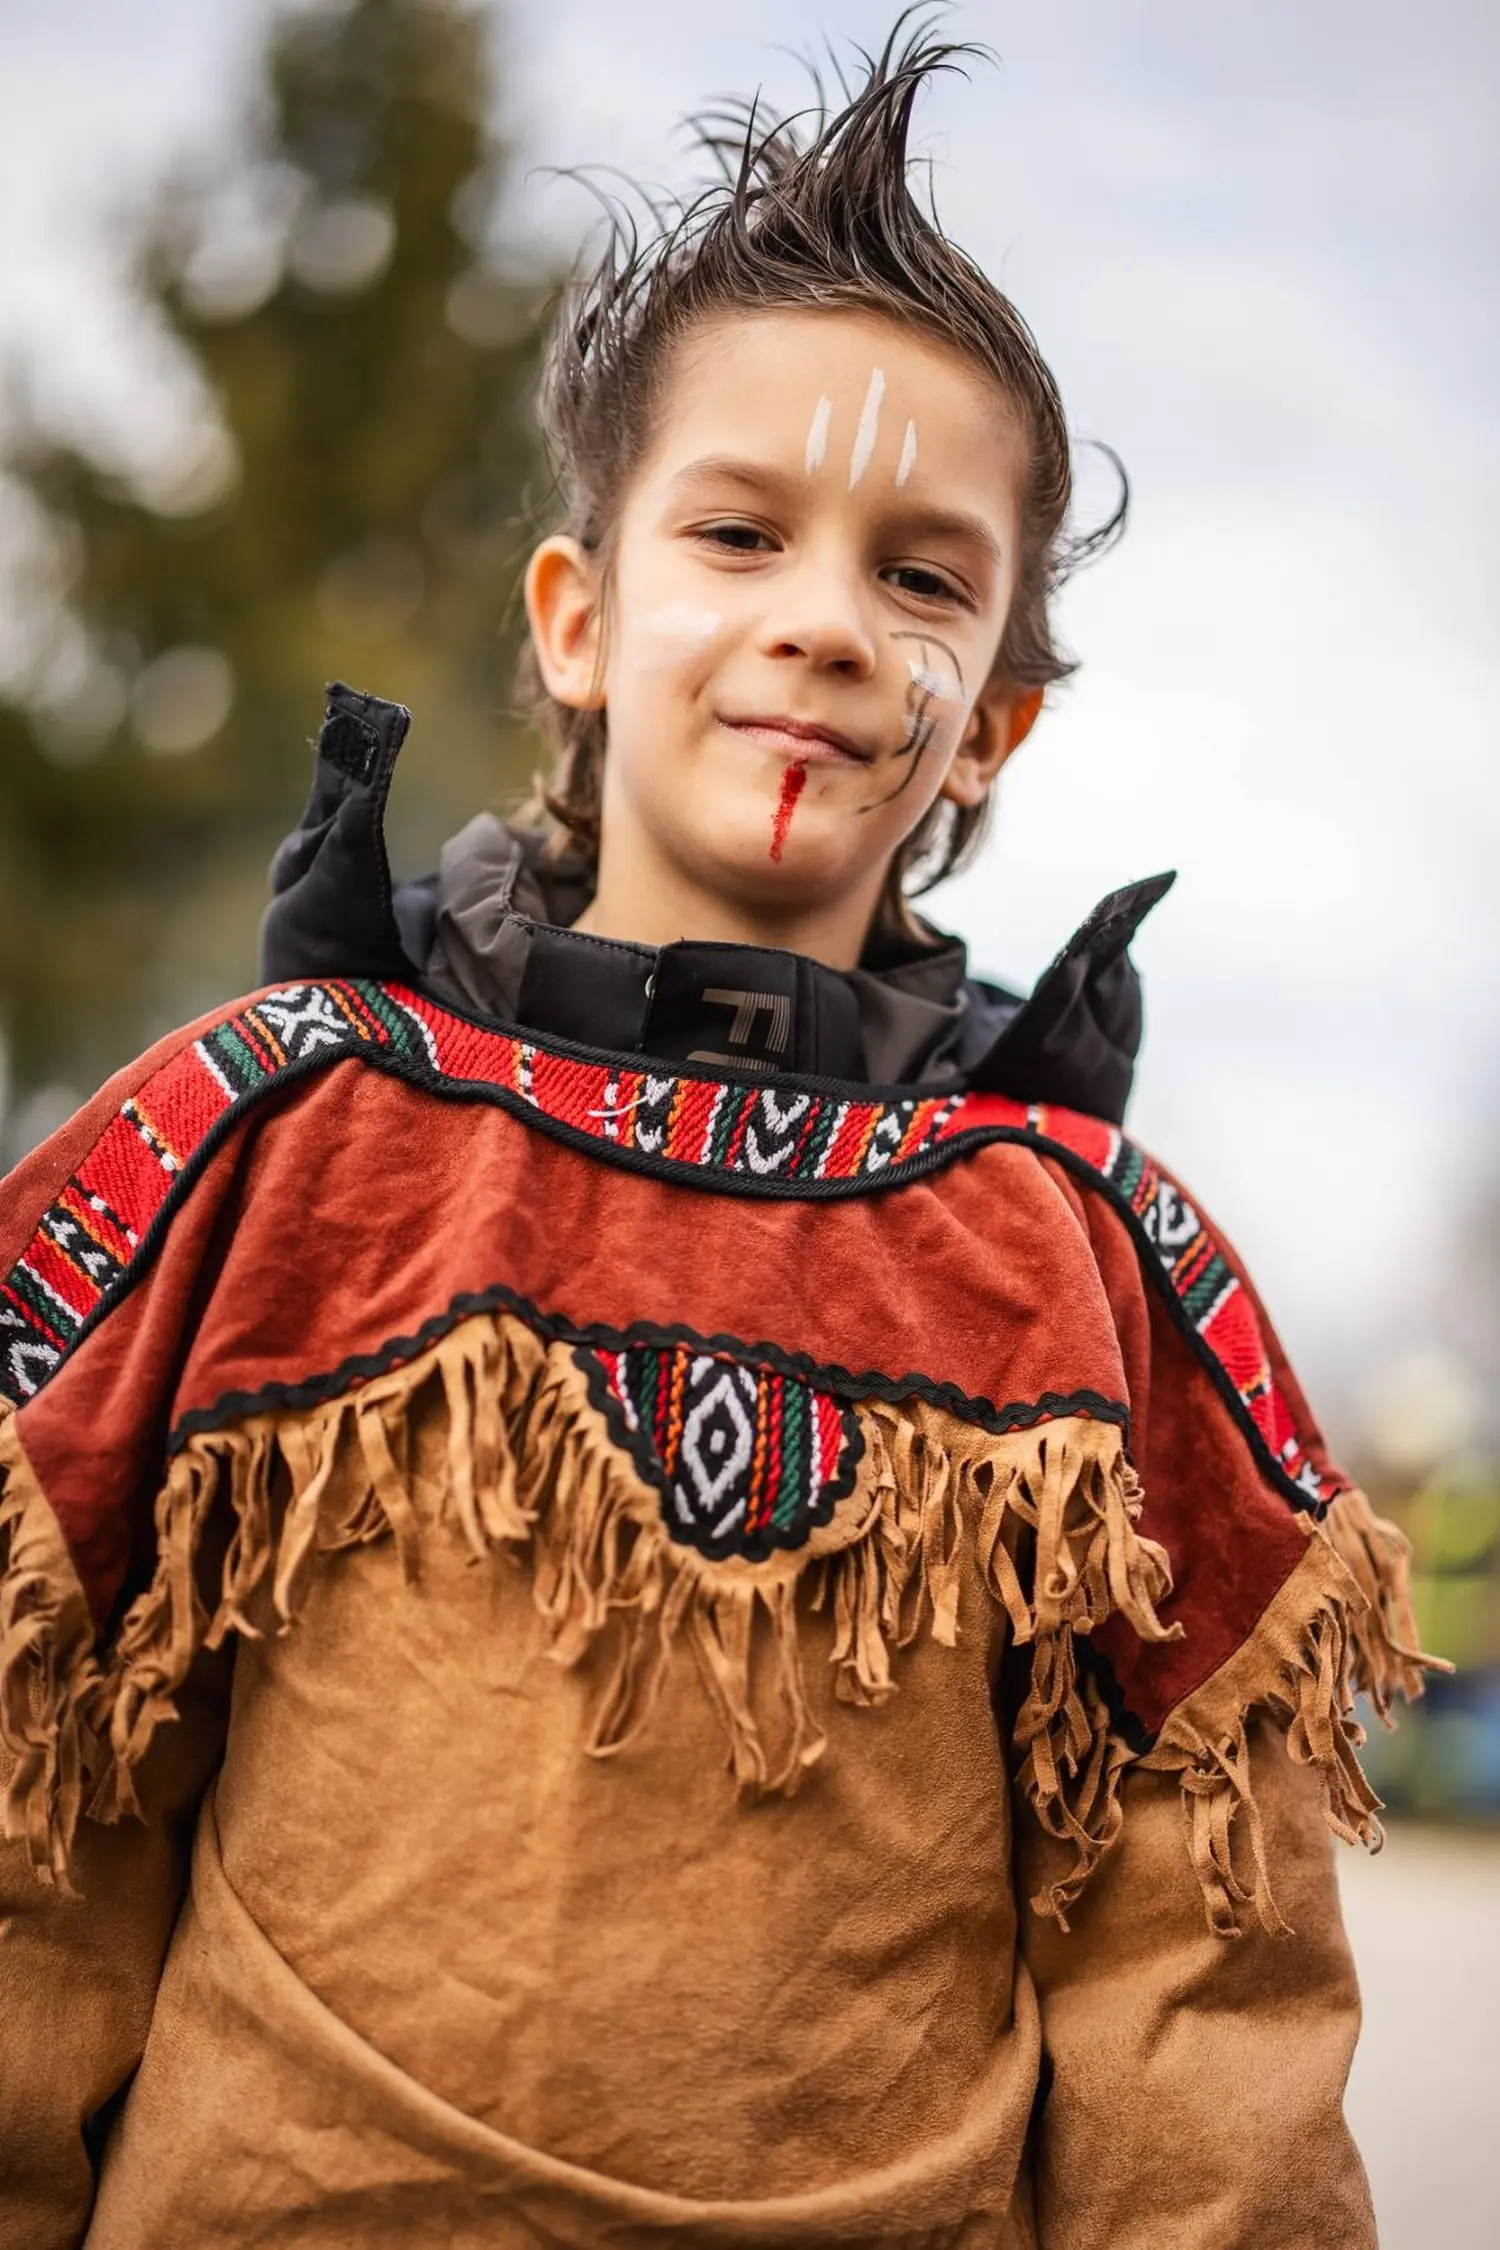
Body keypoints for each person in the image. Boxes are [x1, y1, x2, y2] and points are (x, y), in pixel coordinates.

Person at [0, 24, 1434, 2249]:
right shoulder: (271, 1139)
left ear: (1000, 731)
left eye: (928, 580)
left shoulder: (1093, 1267)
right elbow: (37, 1852)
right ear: (582, 620)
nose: (826, 624)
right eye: (742, 531)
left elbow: (1202, 2018)